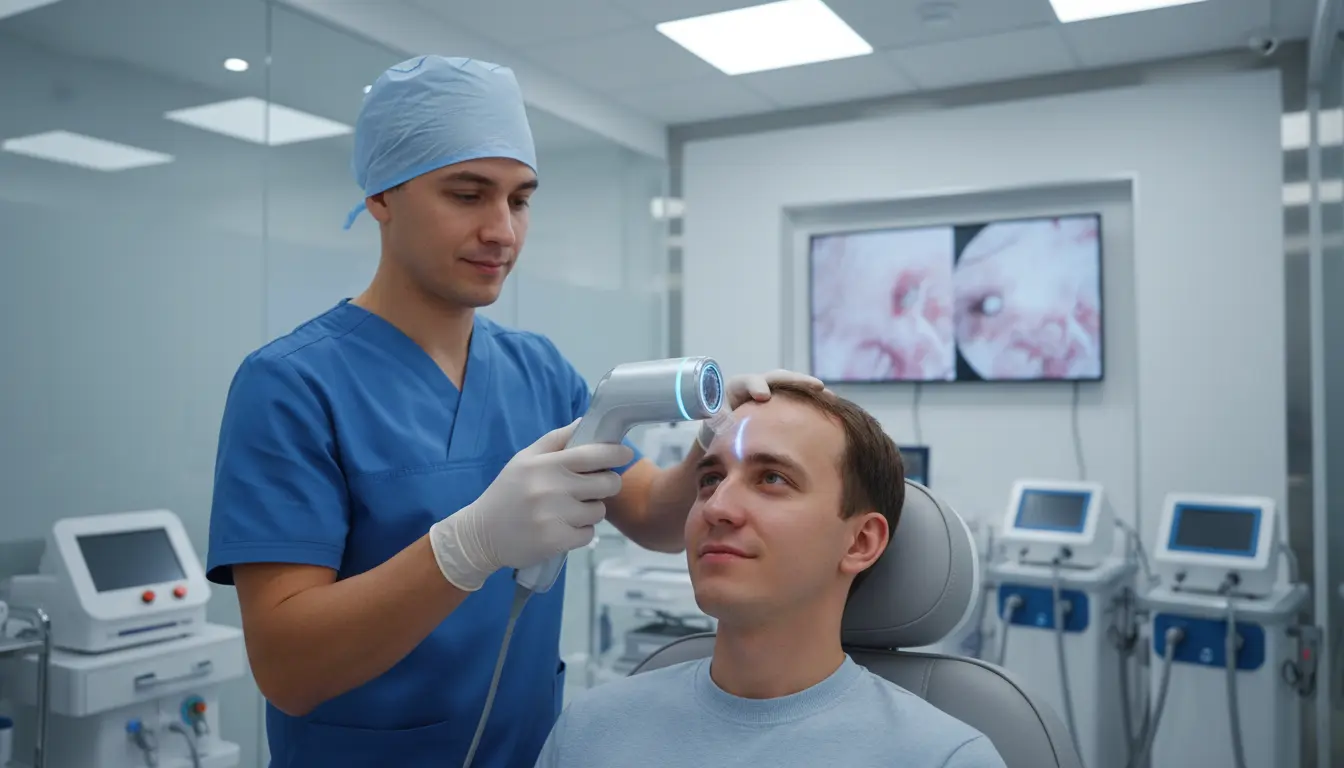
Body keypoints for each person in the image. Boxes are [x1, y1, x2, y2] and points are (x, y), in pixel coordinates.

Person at [205, 54, 822, 768]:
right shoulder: (290, 386)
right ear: (381, 194)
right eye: (466, 195)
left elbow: (652, 516)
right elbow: (288, 669)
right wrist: (465, 548)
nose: (502, 230)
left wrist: (715, 448)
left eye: (520, 199)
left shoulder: (537, 369)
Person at [534, 383, 1008, 768]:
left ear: (860, 542)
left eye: (772, 479)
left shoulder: (943, 758)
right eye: (710, 479)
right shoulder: (591, 730)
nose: (717, 507)